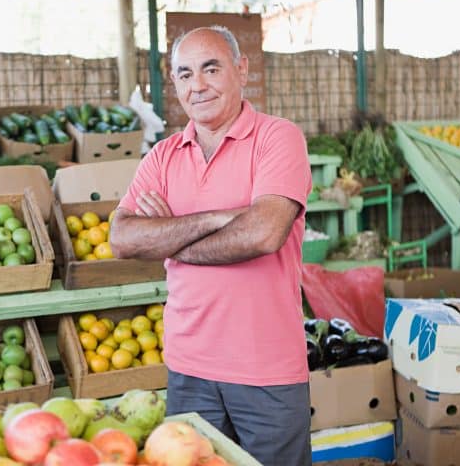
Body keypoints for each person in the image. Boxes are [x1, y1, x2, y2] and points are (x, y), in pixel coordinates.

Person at [110, 25, 312, 466]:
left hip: (267, 369)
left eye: (210, 68)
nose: (197, 85)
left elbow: (263, 233)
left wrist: (168, 236)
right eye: (184, 74)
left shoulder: (277, 138)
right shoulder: (163, 156)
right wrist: (220, 218)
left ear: (241, 70)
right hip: (189, 367)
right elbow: (122, 238)